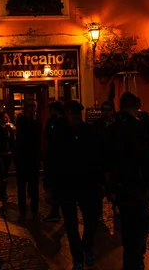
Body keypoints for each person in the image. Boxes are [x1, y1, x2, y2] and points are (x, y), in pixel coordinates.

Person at [105, 92, 149, 270]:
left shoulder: (111, 129)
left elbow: (106, 161)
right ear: (135, 108)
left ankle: (132, 259)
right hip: (137, 186)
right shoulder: (138, 128)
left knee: (128, 226)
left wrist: (109, 187)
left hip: (120, 187)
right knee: (142, 224)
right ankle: (134, 261)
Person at [45, 100, 103, 270]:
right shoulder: (59, 134)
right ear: (67, 115)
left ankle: (87, 247)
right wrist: (49, 186)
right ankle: (78, 256)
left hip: (87, 184)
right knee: (71, 224)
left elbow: (97, 157)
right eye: (73, 114)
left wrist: (100, 181)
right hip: (66, 184)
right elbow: (51, 161)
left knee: (90, 220)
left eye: (78, 114)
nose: (76, 117)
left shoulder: (88, 131)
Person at [14, 99, 42, 220]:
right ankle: (22, 212)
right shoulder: (21, 121)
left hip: (33, 159)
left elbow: (38, 141)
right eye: (30, 106)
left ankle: (34, 211)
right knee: (21, 187)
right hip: (22, 159)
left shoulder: (38, 123)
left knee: (34, 187)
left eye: (34, 107)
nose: (32, 109)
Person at [93, 101, 116, 219]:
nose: (106, 112)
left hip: (113, 161)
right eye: (104, 110)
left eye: (108, 110)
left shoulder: (116, 125)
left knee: (114, 187)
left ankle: (116, 208)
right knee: (100, 188)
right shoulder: (97, 125)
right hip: (101, 161)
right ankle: (98, 213)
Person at [43, 101, 65, 223]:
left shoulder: (60, 123)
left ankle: (59, 211)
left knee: (59, 186)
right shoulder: (51, 122)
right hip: (53, 157)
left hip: (59, 159)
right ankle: (56, 210)